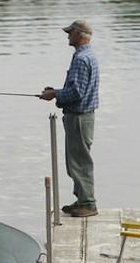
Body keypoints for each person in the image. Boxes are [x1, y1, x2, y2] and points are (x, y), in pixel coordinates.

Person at [39, 19, 101, 217]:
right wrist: (56, 91)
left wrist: (54, 94)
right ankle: (82, 200)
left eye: (70, 32)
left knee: (79, 162)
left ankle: (88, 205)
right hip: (83, 117)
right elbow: (76, 89)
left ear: (80, 35)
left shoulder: (82, 59)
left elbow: (77, 93)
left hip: (80, 118)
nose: (68, 35)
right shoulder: (87, 56)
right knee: (77, 161)